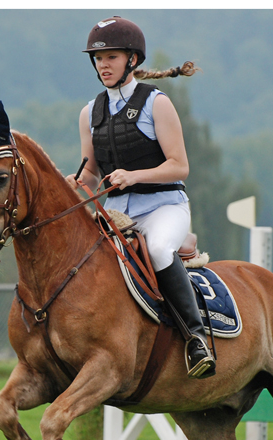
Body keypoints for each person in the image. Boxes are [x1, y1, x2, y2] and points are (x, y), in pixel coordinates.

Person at [65, 16, 215, 379]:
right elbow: (90, 171)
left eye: (111, 57)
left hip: (163, 207)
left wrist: (135, 175)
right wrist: (72, 181)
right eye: (98, 58)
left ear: (132, 59)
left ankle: (196, 338)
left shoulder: (156, 103)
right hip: (116, 214)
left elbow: (180, 166)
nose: (103, 65)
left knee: (160, 250)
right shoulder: (90, 112)